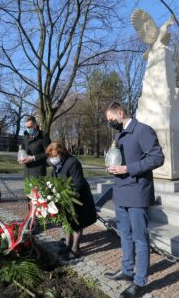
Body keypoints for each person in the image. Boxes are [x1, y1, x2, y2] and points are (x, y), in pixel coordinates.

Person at [104, 102, 164, 298]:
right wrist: (113, 166)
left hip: (137, 194)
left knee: (140, 238)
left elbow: (157, 158)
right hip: (120, 193)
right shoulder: (118, 135)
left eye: (111, 119)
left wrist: (128, 168)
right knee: (125, 235)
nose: (110, 123)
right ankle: (127, 270)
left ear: (120, 113)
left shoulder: (143, 131)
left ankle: (140, 282)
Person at [46, 142, 97, 260]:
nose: (53, 159)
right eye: (51, 157)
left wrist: (65, 194)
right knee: (66, 222)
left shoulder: (72, 162)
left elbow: (78, 183)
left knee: (77, 223)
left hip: (78, 197)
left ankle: (75, 249)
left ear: (61, 153)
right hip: (64, 197)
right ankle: (67, 245)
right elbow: (54, 178)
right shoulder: (57, 164)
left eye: (55, 156)